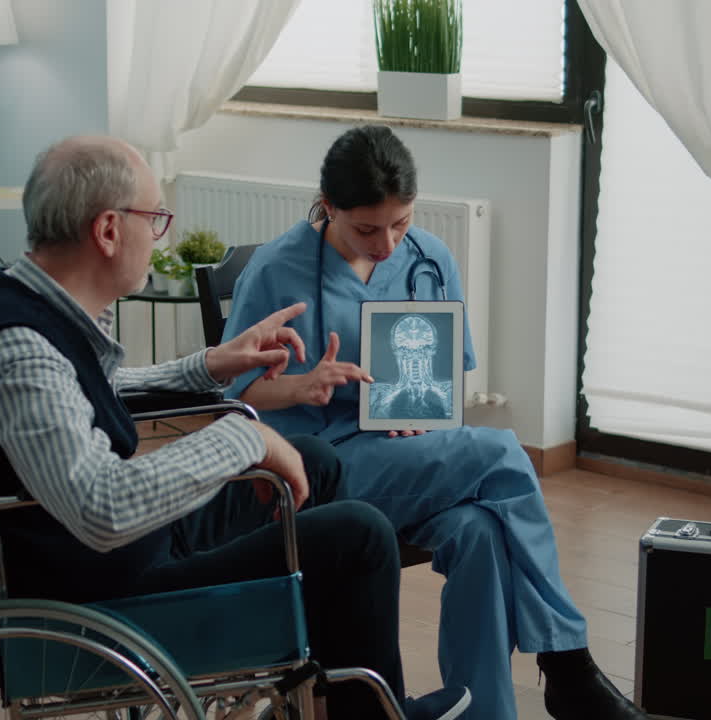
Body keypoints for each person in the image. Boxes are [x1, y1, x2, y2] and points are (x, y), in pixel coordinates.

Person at [0, 134, 470, 720]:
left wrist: (211, 365)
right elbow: (102, 508)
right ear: (108, 231)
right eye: (155, 218)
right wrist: (243, 438)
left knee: (314, 459)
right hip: (105, 607)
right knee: (359, 535)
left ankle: (331, 699)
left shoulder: (21, 309)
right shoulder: (20, 350)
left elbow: (90, 393)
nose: (164, 236)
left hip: (120, 560)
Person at [222, 125, 648, 720]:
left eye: (400, 223)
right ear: (327, 204)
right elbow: (233, 394)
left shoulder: (430, 258)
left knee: (478, 527)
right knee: (503, 454)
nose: (389, 243)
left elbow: (447, 375)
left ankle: (485, 712)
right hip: (312, 468)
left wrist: (421, 416)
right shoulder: (276, 270)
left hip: (401, 459)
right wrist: (301, 385)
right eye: (367, 228)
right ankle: (567, 663)